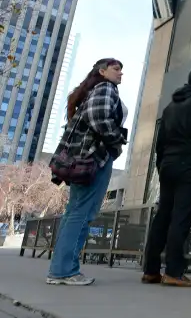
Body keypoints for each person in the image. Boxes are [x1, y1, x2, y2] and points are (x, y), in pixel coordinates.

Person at [47, 59, 127, 286]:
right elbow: (100, 118)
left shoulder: (91, 91)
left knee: (74, 212)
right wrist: (117, 142)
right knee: (82, 214)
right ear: (102, 72)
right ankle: (64, 271)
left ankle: (60, 269)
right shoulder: (106, 88)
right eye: (116, 69)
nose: (121, 73)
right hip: (94, 160)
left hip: (81, 160)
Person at [142, 69, 191, 288]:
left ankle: (151, 270)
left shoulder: (170, 107)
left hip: (168, 166)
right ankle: (174, 272)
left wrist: (161, 165)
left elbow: (161, 141)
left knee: (163, 216)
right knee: (180, 218)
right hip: (189, 167)